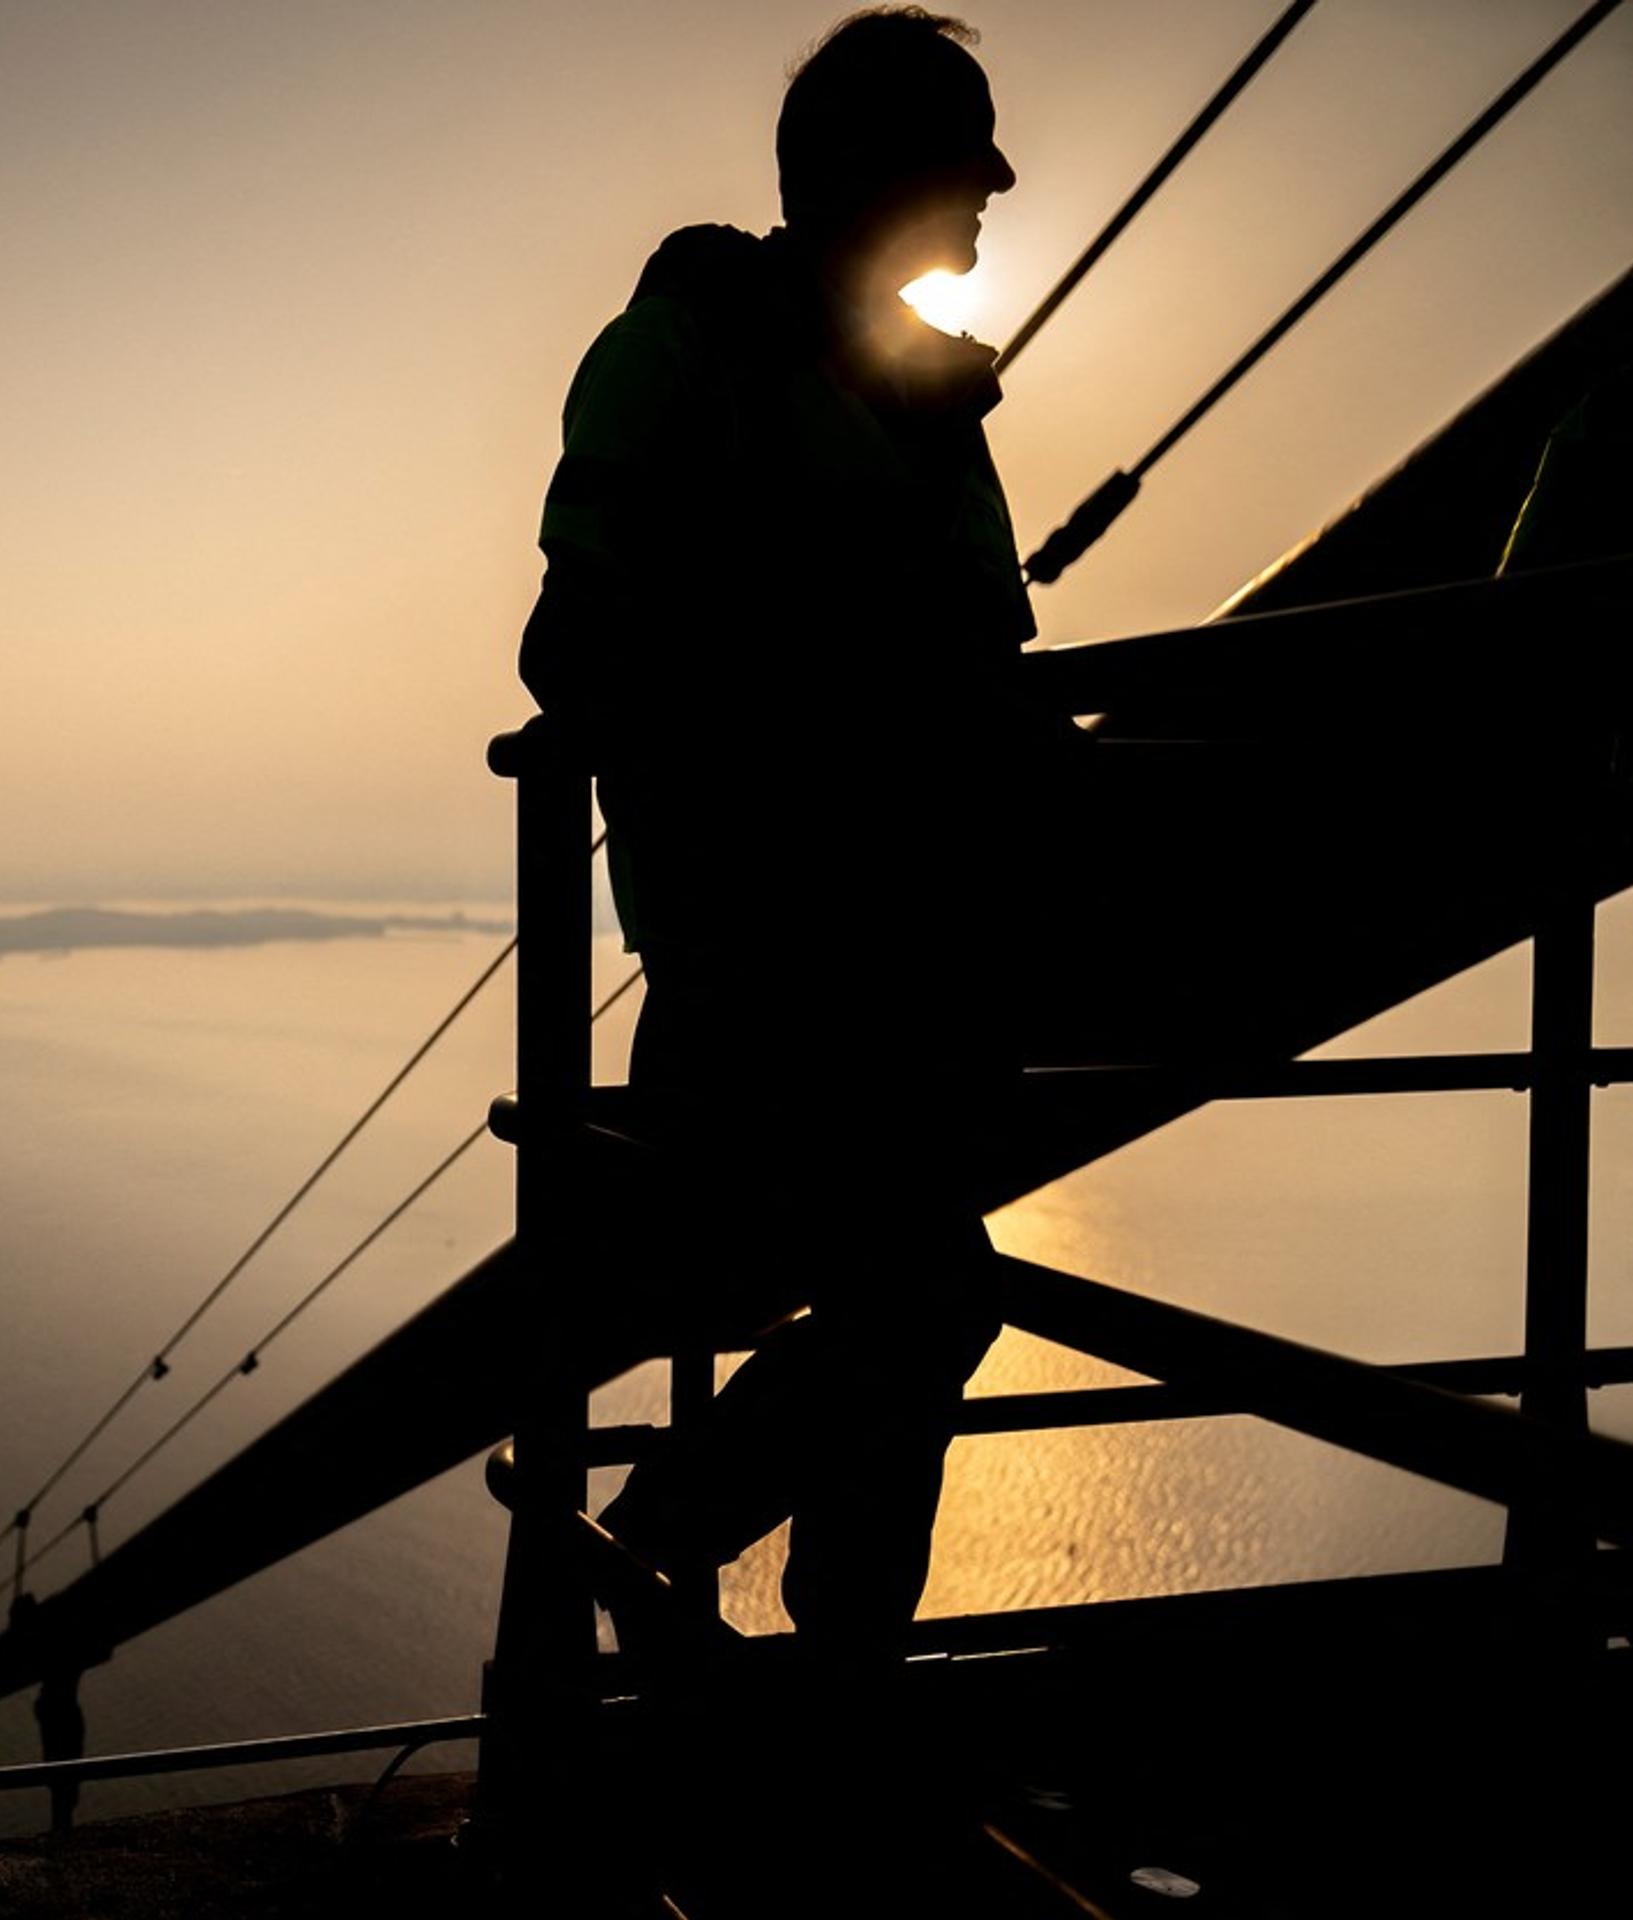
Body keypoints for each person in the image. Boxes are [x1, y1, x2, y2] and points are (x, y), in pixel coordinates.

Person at [517, 9, 1082, 1675]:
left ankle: (835, 1670)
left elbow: (978, 659)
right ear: (873, 171)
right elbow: (576, 647)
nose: (994, 182)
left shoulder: (913, 389)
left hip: (904, 939)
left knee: (908, 1299)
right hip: (770, 949)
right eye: (960, 151)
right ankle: (671, 1545)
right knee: (927, 1296)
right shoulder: (689, 353)